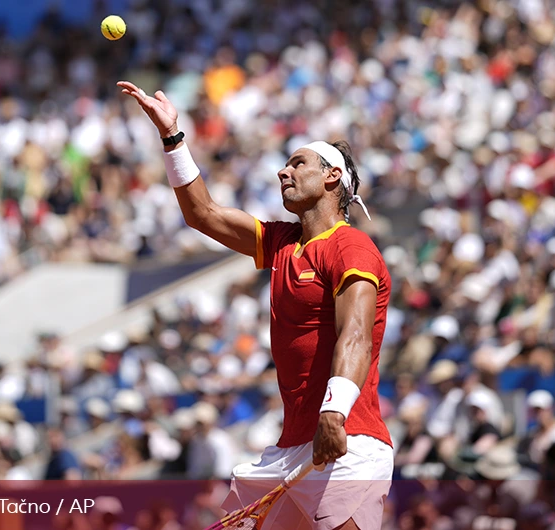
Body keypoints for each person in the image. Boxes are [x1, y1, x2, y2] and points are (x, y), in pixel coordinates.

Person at [118, 80, 392, 530]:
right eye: (284, 164)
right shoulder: (283, 240)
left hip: (347, 438)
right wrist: (172, 137)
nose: (283, 172)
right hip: (293, 445)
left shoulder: (352, 247)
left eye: (297, 163)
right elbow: (201, 214)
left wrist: (334, 412)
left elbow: (357, 336)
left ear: (332, 177)